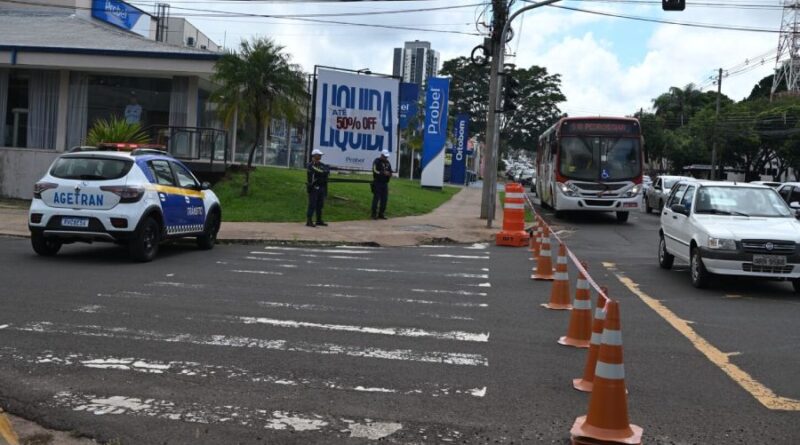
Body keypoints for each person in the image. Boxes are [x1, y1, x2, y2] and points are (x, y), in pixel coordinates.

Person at [306, 149, 330, 227]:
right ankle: (309, 221)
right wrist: (323, 172)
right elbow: (320, 171)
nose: (320, 156)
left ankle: (318, 220)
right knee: (312, 204)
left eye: (320, 155)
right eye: (319, 155)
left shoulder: (322, 164)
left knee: (320, 205)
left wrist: (323, 171)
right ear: (314, 155)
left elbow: (327, 171)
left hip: (322, 187)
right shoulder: (310, 165)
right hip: (313, 187)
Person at [371, 149, 393, 220]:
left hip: (385, 183)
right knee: (376, 199)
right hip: (377, 182)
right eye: (385, 156)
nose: (386, 158)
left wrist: (390, 174)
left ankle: (381, 214)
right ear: (381, 155)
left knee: (384, 199)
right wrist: (382, 173)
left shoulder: (388, 163)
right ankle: (374, 214)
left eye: (387, 157)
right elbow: (374, 170)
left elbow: (390, 171)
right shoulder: (376, 161)